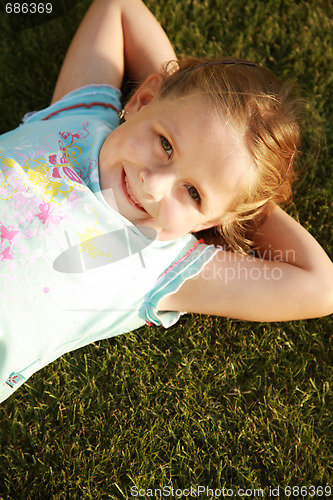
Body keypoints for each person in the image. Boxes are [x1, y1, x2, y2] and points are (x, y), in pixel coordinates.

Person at [0, 0, 332, 403]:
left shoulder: (164, 265)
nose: (153, 185)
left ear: (210, 220)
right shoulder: (79, 117)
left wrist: (243, 201)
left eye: (193, 193)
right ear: (141, 101)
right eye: (165, 144)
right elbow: (118, 8)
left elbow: (322, 286)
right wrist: (179, 88)